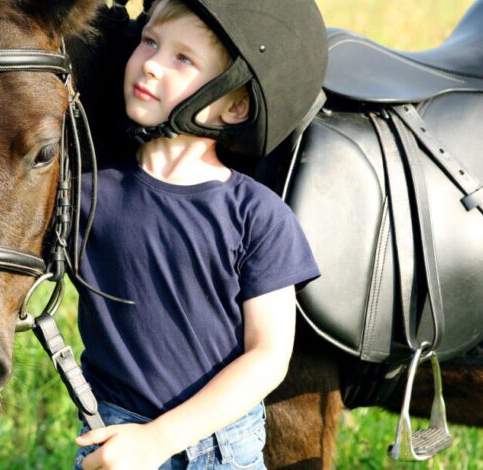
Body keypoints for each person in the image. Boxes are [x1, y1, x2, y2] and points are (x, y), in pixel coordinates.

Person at [72, 0, 328, 468]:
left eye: (182, 58)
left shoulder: (258, 214)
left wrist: (158, 440)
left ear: (235, 104)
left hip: (224, 450)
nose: (150, 64)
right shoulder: (88, 194)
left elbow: (268, 357)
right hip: (115, 443)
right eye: (149, 42)